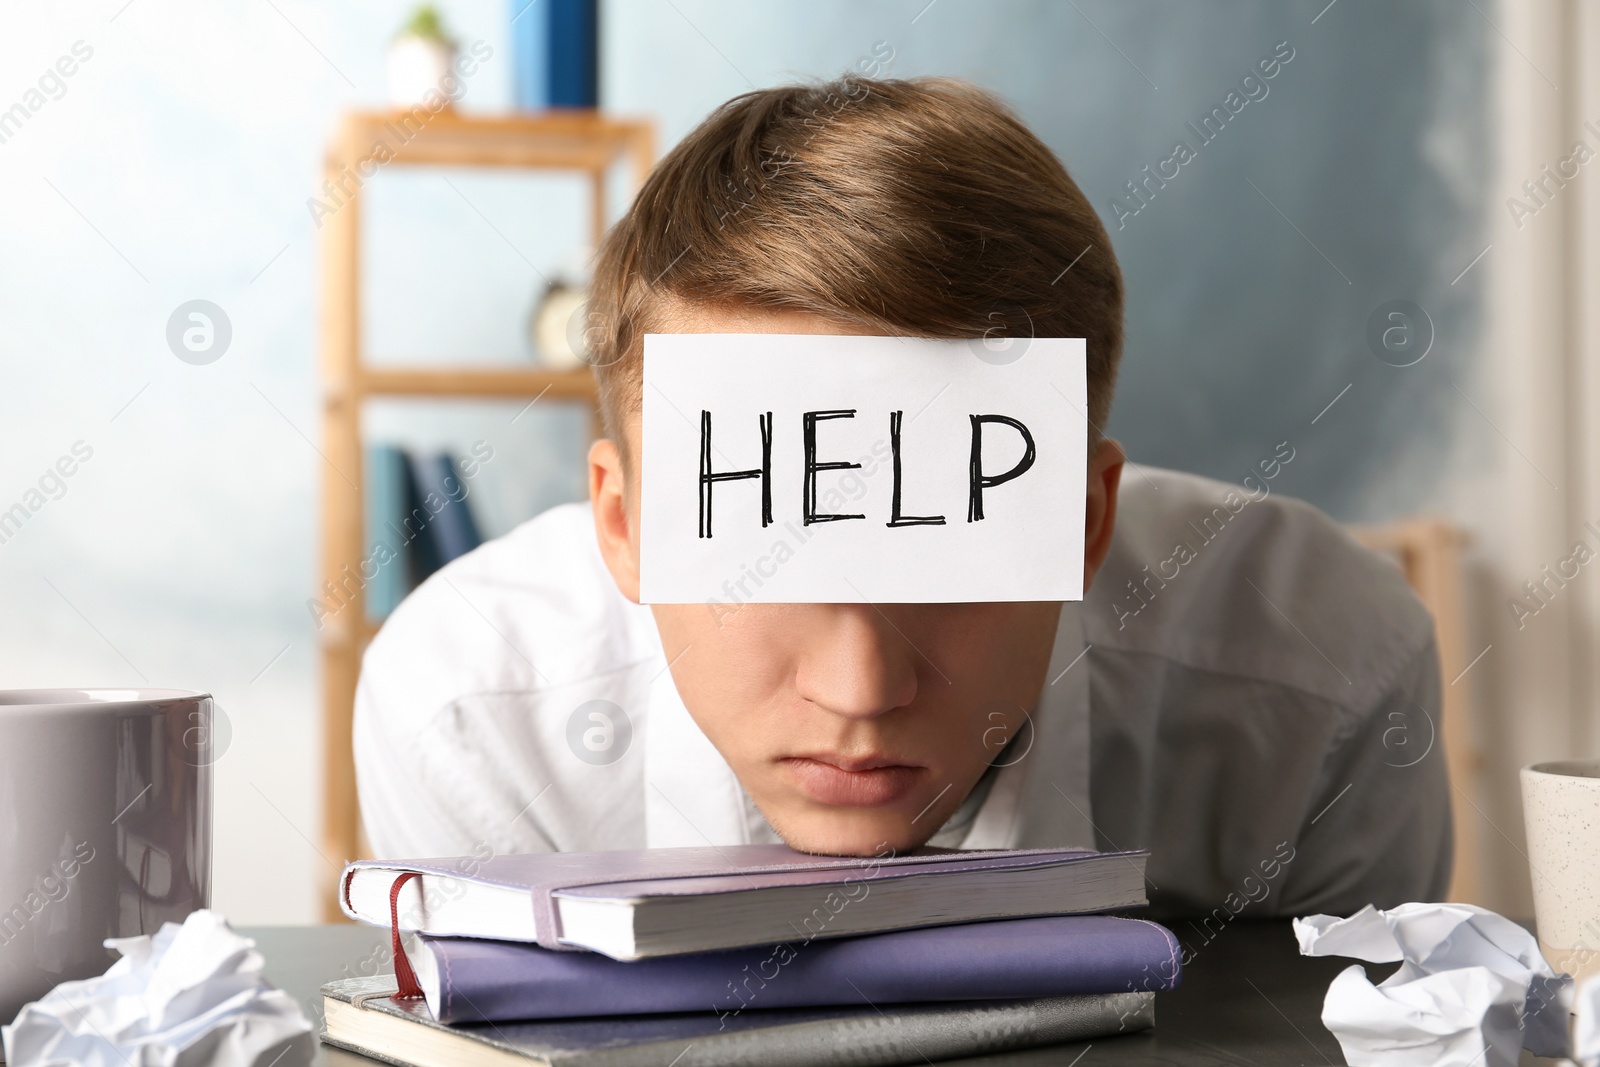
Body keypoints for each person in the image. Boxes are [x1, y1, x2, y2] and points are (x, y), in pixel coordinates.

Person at [353, 76, 1450, 918]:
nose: (860, 688)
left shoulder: (1318, 678)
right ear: (625, 525)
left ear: (1082, 521)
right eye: (768, 556)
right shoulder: (466, 714)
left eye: (949, 556)